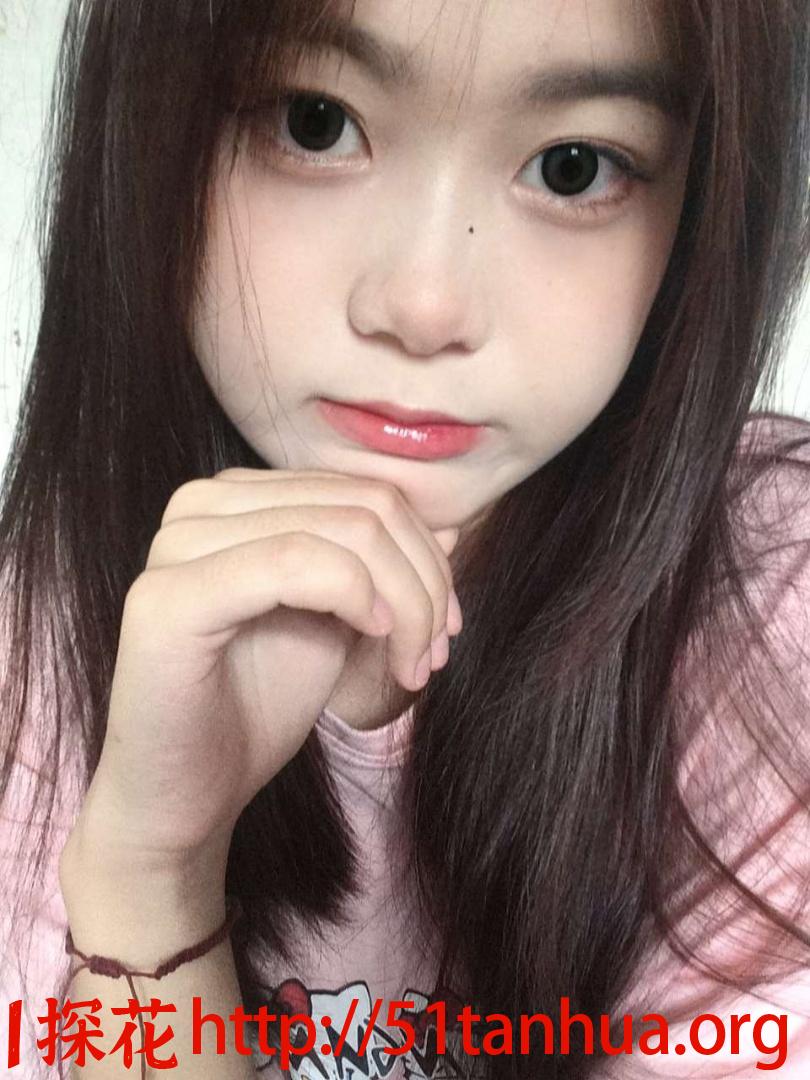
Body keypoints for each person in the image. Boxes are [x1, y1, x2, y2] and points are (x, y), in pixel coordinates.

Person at [1, 0, 810, 1076]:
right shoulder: (36, 645)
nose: (425, 306)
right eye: (314, 121)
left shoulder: (774, 607)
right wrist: (152, 876)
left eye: (572, 168)